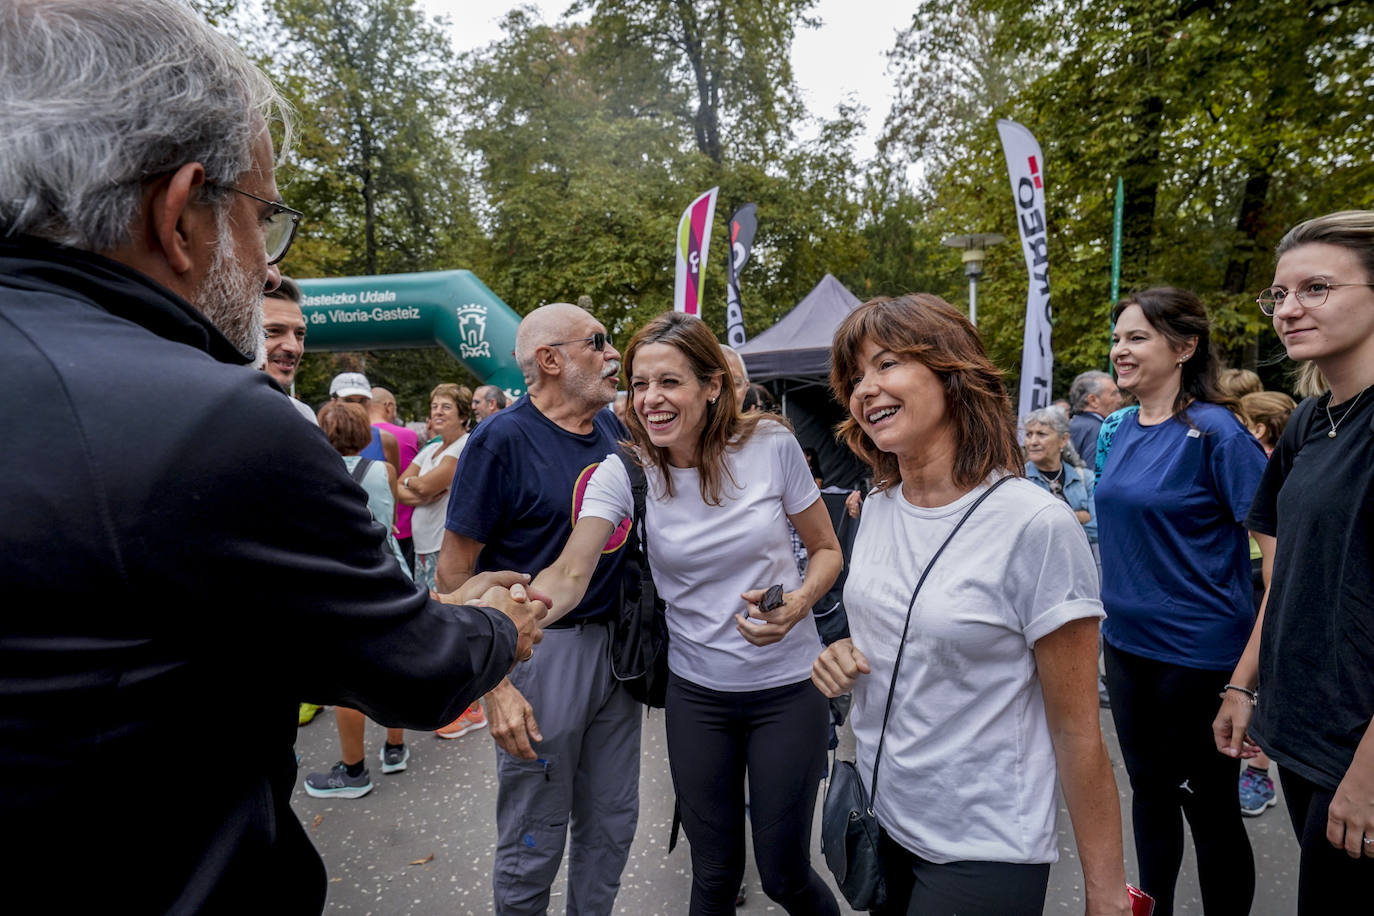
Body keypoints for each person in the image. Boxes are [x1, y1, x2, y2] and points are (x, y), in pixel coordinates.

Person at [0, 2, 543, 911]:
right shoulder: (206, 420)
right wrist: (497, 623)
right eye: (262, 221)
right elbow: (413, 668)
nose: (263, 267)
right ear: (179, 214)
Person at [811, 294, 1128, 916]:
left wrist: (1107, 893)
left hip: (983, 845)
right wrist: (840, 656)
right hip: (881, 819)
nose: (865, 388)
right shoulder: (873, 508)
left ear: (954, 374)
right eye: (854, 377)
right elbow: (897, 632)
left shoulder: (1035, 525)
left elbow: (1076, 730)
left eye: (887, 363)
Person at [534, 311, 844, 916]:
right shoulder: (623, 472)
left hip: (788, 690)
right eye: (640, 383)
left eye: (669, 382)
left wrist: (800, 601)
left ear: (711, 386)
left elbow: (828, 550)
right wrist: (516, 614)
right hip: (698, 697)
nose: (650, 399)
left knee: (783, 875)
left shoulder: (771, 445)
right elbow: (570, 573)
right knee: (713, 876)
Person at [438, 302, 638, 916]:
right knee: (535, 833)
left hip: (619, 654)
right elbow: (452, 575)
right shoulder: (499, 439)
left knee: (611, 826)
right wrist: (493, 685)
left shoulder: (613, 431)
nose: (613, 354)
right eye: (597, 342)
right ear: (550, 360)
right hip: (541, 654)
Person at [1213, 210, 1374, 911]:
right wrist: (1245, 685)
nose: (1289, 310)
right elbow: (1288, 573)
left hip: (1359, 753)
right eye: (1278, 295)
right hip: (1305, 730)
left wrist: (1369, 775)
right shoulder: (1312, 421)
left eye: (1315, 288)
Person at [1095, 287, 1269, 915]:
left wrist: (1243, 683)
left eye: (1136, 337)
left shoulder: (1219, 434)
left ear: (1185, 346)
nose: (1120, 349)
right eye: (1117, 338)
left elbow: (1279, 567)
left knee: (1211, 809)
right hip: (1126, 649)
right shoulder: (1120, 431)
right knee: (1149, 793)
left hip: (1198, 658)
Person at [304, 401, 413, 798]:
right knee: (395, 664)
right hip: (392, 573)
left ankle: (353, 772)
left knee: (347, 679)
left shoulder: (314, 473)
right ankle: (396, 749)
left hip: (345, 582)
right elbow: (391, 512)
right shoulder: (384, 470)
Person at [397, 384, 472, 592]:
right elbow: (396, 487)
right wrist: (420, 492)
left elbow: (426, 485)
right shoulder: (431, 448)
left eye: (446, 407)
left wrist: (413, 484)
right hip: (422, 545)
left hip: (443, 546)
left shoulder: (464, 445)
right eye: (434, 406)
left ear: (463, 415)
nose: (437, 411)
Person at [1022, 407, 1097, 558]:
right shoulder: (1019, 480)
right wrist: (1080, 516)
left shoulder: (1085, 478)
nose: (1032, 442)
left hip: (1079, 561)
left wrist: (1049, 523)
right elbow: (1024, 530)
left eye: (1041, 434)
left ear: (1063, 440)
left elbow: (1096, 528)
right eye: (1029, 435)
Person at [368, 386, 421, 568]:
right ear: (389, 406)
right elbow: (407, 482)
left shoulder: (351, 435)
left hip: (365, 526)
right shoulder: (405, 435)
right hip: (401, 527)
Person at [262, 276, 317, 423]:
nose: (293, 347)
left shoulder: (304, 416)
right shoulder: (205, 410)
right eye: (274, 331)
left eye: (299, 334)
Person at [1068, 369, 1124, 462]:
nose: (1120, 399)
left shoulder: (1068, 426)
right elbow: (1096, 472)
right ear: (1093, 400)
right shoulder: (1101, 431)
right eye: (1114, 394)